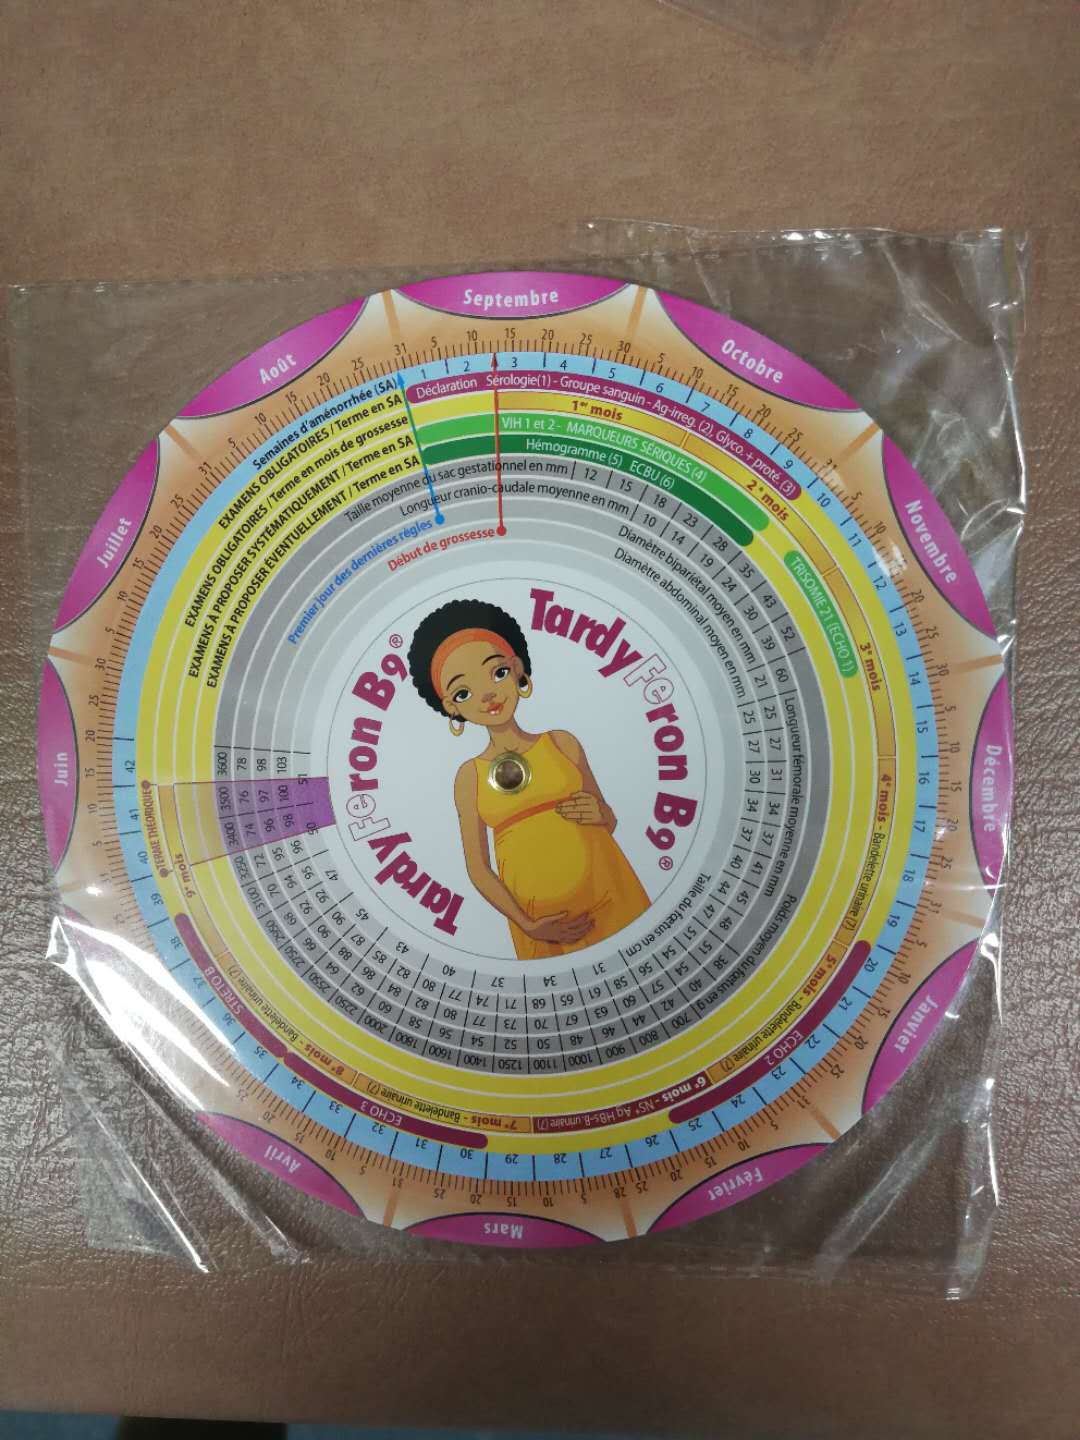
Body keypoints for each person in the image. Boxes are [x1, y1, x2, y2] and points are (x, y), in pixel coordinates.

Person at [407, 599, 649, 960]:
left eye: (497, 672)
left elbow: (609, 820)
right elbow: (478, 868)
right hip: (545, 932)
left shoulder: (562, 743)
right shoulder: (469, 777)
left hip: (615, 900)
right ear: (451, 707)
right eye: (463, 692)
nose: (488, 694)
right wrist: (528, 924)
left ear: (517, 668)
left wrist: (601, 813)